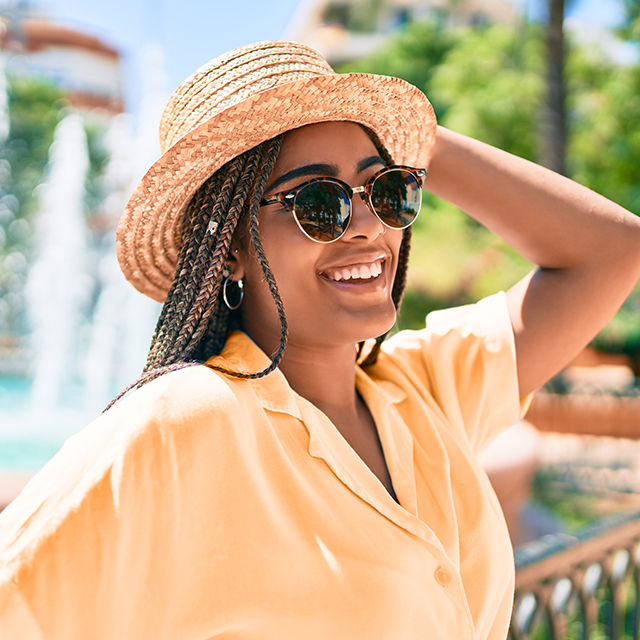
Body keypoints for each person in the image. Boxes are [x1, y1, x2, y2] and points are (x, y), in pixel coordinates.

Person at [1, 40, 639, 640]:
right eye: (318, 202)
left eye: (388, 191)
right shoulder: (183, 420)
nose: (367, 226)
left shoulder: (423, 391)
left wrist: (408, 138)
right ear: (231, 251)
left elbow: (611, 252)